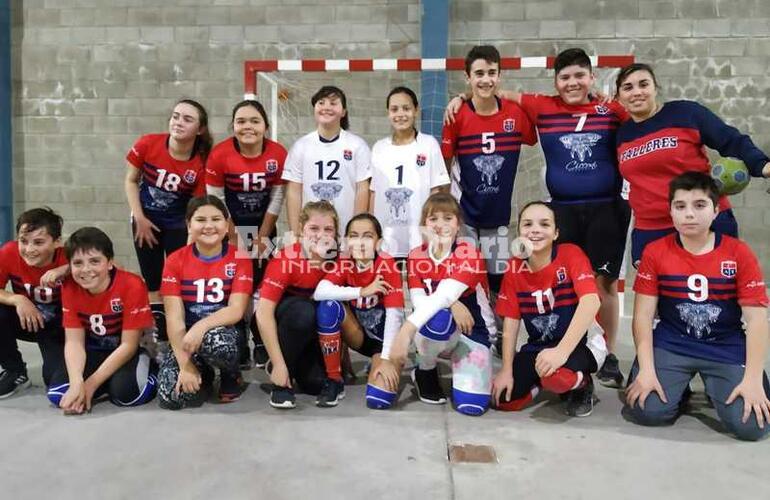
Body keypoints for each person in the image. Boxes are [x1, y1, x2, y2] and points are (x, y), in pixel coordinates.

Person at [445, 47, 631, 389]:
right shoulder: (542, 105)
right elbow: (496, 90)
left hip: (606, 207)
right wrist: (462, 95)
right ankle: (562, 341)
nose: (572, 83)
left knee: (604, 285)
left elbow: (640, 114)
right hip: (561, 209)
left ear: (591, 78)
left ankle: (610, 352)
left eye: (579, 76)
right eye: (565, 77)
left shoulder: (612, 109)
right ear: (555, 81)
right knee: (562, 281)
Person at [624, 172, 770, 441]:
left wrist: (751, 380)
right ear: (670, 211)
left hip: (724, 344)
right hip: (673, 342)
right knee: (647, 410)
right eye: (680, 206)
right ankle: (679, 391)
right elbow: (643, 316)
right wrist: (646, 370)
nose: (689, 214)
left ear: (716, 210)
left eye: (699, 205)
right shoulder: (655, 252)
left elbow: (758, 320)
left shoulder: (739, 253)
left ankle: (722, 386)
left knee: (751, 426)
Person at [614, 62, 770, 265]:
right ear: (618, 96)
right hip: (651, 229)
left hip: (703, 221)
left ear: (655, 88)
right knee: (659, 296)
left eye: (644, 84)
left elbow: (731, 140)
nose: (637, 92)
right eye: (628, 87)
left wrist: (763, 166)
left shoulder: (686, 113)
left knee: (717, 294)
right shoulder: (621, 135)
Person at [493, 201, 607, 417]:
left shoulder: (571, 254)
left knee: (556, 376)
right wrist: (506, 369)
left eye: (544, 224)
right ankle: (543, 382)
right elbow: (511, 321)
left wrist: (561, 352)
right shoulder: (514, 267)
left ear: (556, 233)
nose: (535, 230)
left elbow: (591, 301)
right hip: (539, 346)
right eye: (527, 224)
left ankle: (582, 384)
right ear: (519, 232)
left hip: (582, 344)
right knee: (503, 400)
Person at [440, 45, 537, 299]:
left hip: (500, 215)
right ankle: (470, 334)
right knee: (465, 277)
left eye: (492, 72)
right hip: (465, 215)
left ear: (499, 75)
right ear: (468, 77)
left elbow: (535, 132)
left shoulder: (515, 114)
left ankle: (499, 336)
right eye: (479, 73)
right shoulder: (456, 114)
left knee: (498, 281)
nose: (486, 79)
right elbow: (445, 164)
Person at [388, 193, 496, 416]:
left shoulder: (469, 254)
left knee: (471, 406)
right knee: (437, 319)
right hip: (436, 332)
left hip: (471, 332)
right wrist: (452, 304)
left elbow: (445, 294)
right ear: (423, 226)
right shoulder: (416, 256)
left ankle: (464, 368)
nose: (439, 225)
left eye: (447, 218)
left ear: (458, 226)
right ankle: (425, 370)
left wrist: (405, 332)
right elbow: (419, 301)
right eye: (432, 219)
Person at [206, 99, 287, 369]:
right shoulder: (219, 154)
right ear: (233, 126)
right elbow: (215, 198)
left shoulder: (277, 153)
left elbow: (277, 197)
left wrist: (263, 236)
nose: (248, 126)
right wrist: (232, 236)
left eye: (254, 121)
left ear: (266, 126)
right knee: (236, 285)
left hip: (264, 225)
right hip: (229, 227)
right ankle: (238, 340)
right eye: (241, 121)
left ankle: (262, 340)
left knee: (262, 285)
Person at [124, 99, 212, 342]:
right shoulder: (148, 143)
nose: (178, 122)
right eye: (175, 116)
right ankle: (159, 339)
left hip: (177, 224)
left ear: (200, 129)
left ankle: (180, 334)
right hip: (146, 221)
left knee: (175, 281)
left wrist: (189, 239)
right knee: (152, 281)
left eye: (187, 119)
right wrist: (139, 217)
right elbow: (131, 180)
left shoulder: (201, 163)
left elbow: (195, 207)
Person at [156, 196, 253, 409]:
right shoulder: (175, 260)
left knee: (217, 343)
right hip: (188, 338)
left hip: (223, 333)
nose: (209, 226)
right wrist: (185, 365)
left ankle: (231, 374)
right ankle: (204, 374)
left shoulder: (240, 258)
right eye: (200, 220)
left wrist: (201, 326)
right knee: (173, 397)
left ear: (226, 225)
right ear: (189, 225)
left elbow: (236, 310)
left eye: (216, 219)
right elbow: (174, 317)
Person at [48, 227, 156, 414]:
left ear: (110, 263)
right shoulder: (70, 287)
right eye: (78, 263)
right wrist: (76, 383)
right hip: (95, 351)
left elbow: (128, 345)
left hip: (129, 351)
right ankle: (107, 382)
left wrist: (90, 385)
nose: (86, 270)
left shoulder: (131, 284)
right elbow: (74, 341)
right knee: (59, 394)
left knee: (127, 395)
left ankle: (152, 372)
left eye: (95, 261)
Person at [313, 213, 404, 408]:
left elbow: (395, 318)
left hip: (386, 342)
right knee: (328, 306)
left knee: (379, 399)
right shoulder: (346, 262)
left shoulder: (387, 265)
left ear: (378, 242)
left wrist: (387, 359)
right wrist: (362, 291)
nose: (360, 242)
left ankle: (384, 362)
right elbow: (320, 292)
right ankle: (334, 379)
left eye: (368, 236)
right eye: (354, 236)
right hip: (360, 337)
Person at [256, 201, 340, 409]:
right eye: (313, 228)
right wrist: (279, 364)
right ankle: (281, 382)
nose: (321, 235)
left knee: (315, 384)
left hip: (311, 330)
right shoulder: (286, 259)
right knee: (304, 311)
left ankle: (295, 363)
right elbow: (263, 312)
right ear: (301, 232)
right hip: (284, 321)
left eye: (328, 229)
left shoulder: (338, 260)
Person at [370, 86, 450, 259]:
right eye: (394, 109)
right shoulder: (379, 148)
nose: (400, 114)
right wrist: (371, 229)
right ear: (388, 113)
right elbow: (373, 192)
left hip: (419, 236)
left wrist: (434, 229)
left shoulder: (428, 145)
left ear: (416, 111)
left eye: (406, 108)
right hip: (387, 236)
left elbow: (437, 191)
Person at [282, 85, 371, 238]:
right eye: (321, 103)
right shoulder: (300, 146)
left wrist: (356, 231)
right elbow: (294, 191)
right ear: (314, 109)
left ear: (343, 111)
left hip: (345, 231)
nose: (326, 107)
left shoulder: (358, 145)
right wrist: (295, 232)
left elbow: (363, 190)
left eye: (333, 103)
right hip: (311, 232)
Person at [0, 208, 68, 399]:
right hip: (28, 320)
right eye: (24, 241)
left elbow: (110, 267)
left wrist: (67, 268)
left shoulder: (69, 255)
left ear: (57, 242)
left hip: (60, 327)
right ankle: (15, 371)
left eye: (38, 242)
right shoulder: (9, 253)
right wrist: (17, 298)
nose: (29, 249)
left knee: (54, 383)